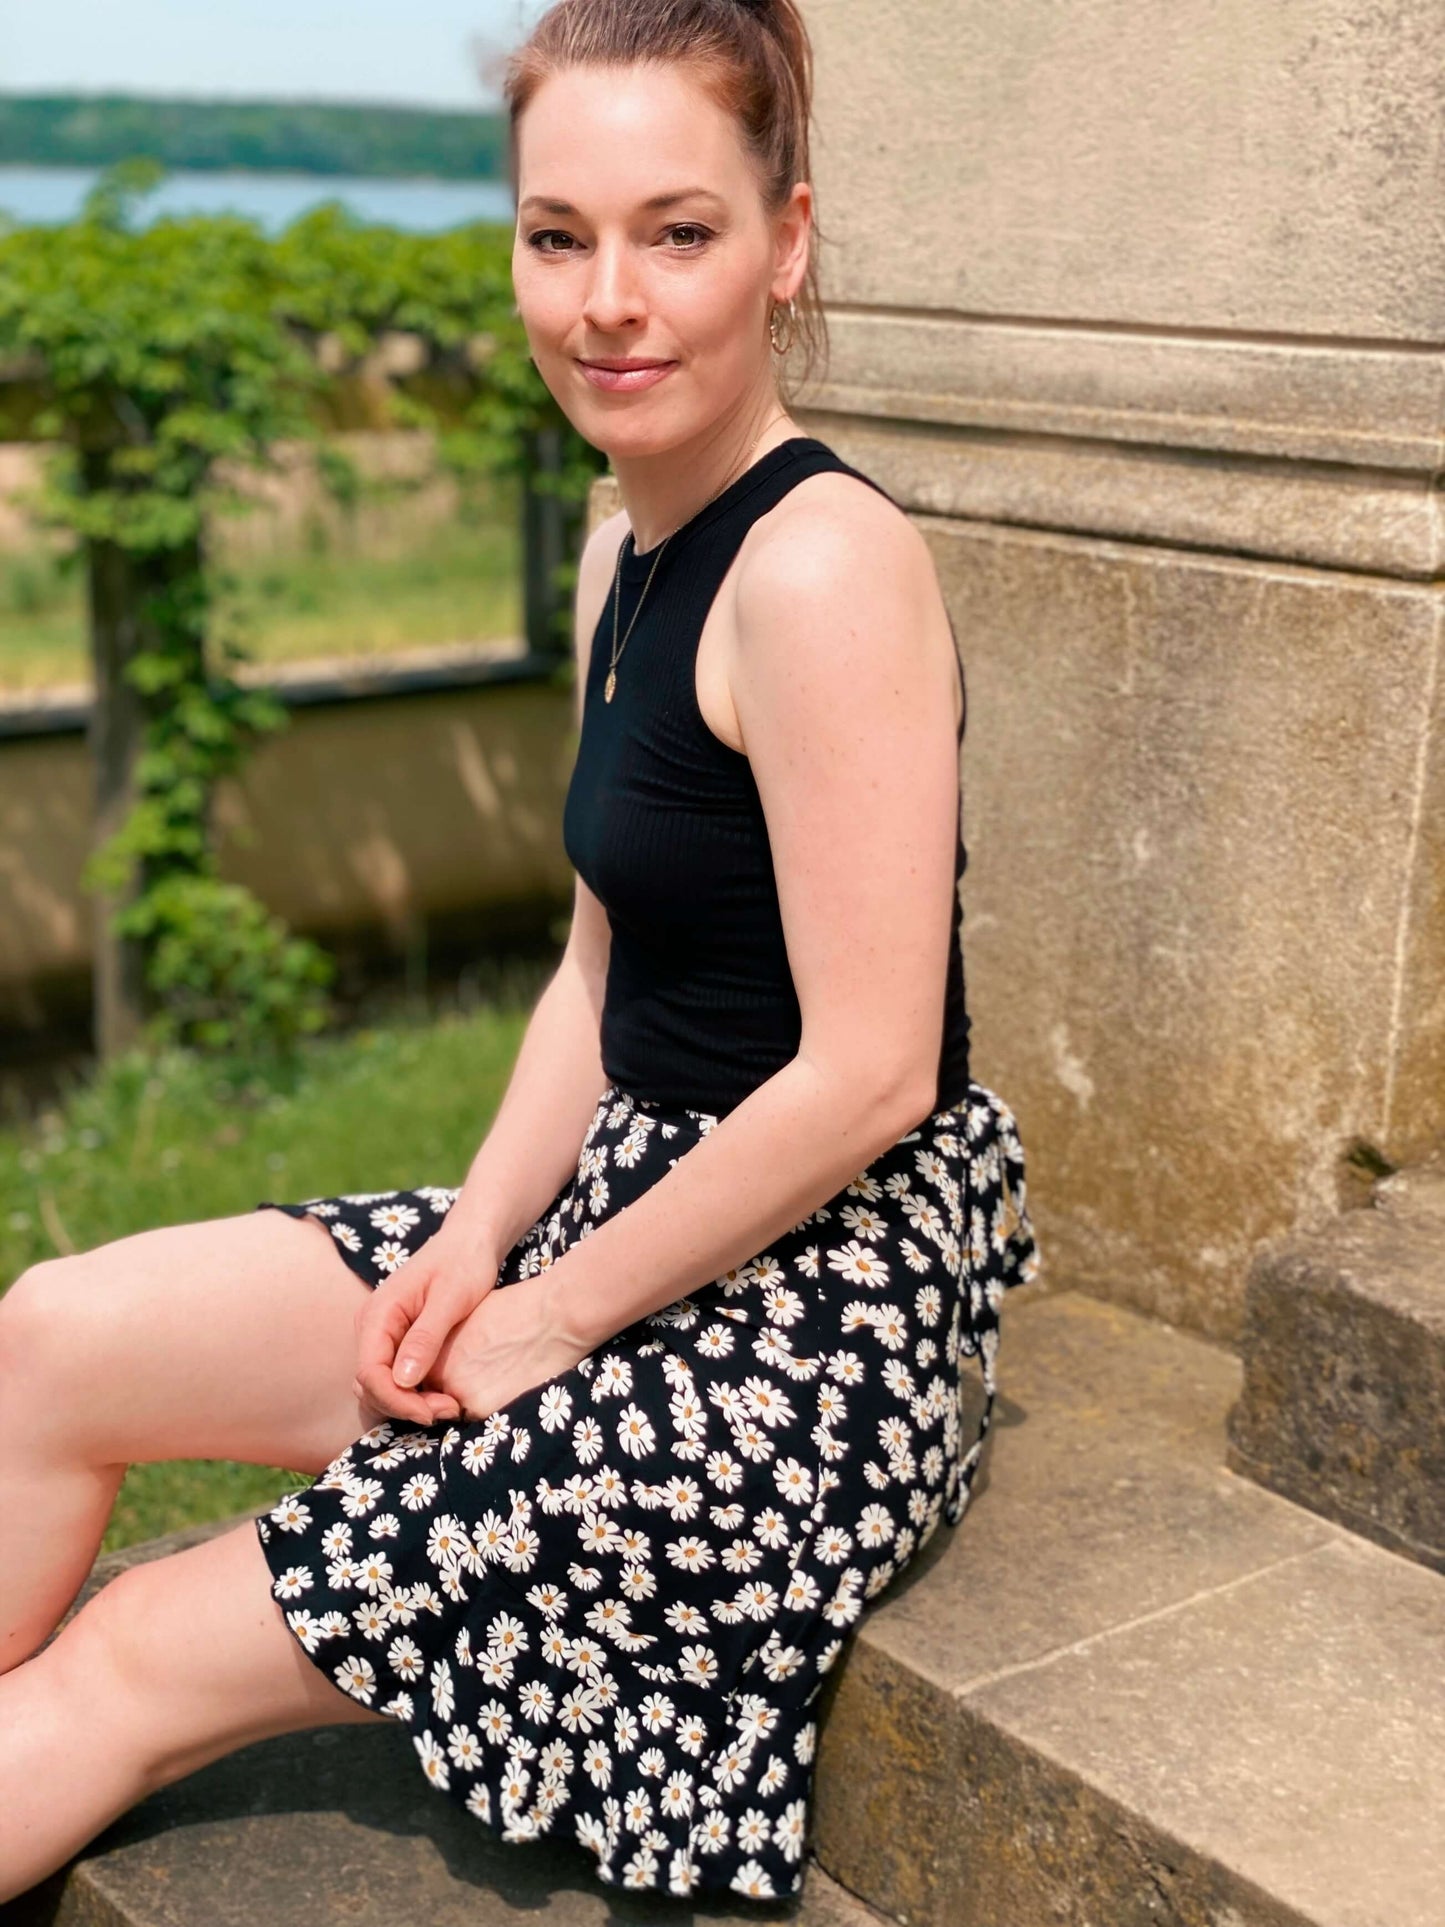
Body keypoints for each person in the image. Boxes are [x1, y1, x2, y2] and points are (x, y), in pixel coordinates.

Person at [0, 0, 1037, 1904]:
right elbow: (594, 971)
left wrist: (548, 1320)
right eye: (556, 236)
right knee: (52, 1332)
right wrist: (478, 1239)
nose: (606, 301)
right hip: (620, 1204)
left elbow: (874, 1070)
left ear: (786, 242)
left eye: (678, 231)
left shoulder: (822, 568)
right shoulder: (617, 540)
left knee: (143, 1653)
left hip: (807, 1321)